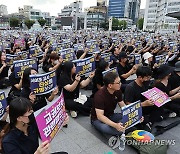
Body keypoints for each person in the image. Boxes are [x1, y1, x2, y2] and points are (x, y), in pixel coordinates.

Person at [2, 97, 69, 154]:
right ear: (19, 118)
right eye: (29, 112)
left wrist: (60, 121)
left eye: (32, 110)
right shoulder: (8, 142)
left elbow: (47, 132)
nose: (33, 114)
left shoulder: (32, 124)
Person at [124, 66, 163, 131]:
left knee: (160, 107)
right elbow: (128, 105)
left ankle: (149, 122)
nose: (148, 79)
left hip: (145, 105)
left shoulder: (145, 83)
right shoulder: (130, 88)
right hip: (136, 109)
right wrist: (143, 104)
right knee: (144, 120)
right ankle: (148, 121)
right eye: (147, 78)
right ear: (140, 77)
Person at [91, 72, 126, 136]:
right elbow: (100, 116)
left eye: (120, 82)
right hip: (97, 119)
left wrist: (134, 115)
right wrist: (115, 125)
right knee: (105, 128)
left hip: (111, 115)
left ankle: (121, 128)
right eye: (118, 83)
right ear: (110, 85)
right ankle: (121, 129)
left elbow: (122, 105)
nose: (120, 84)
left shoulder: (118, 91)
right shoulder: (99, 96)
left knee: (127, 118)